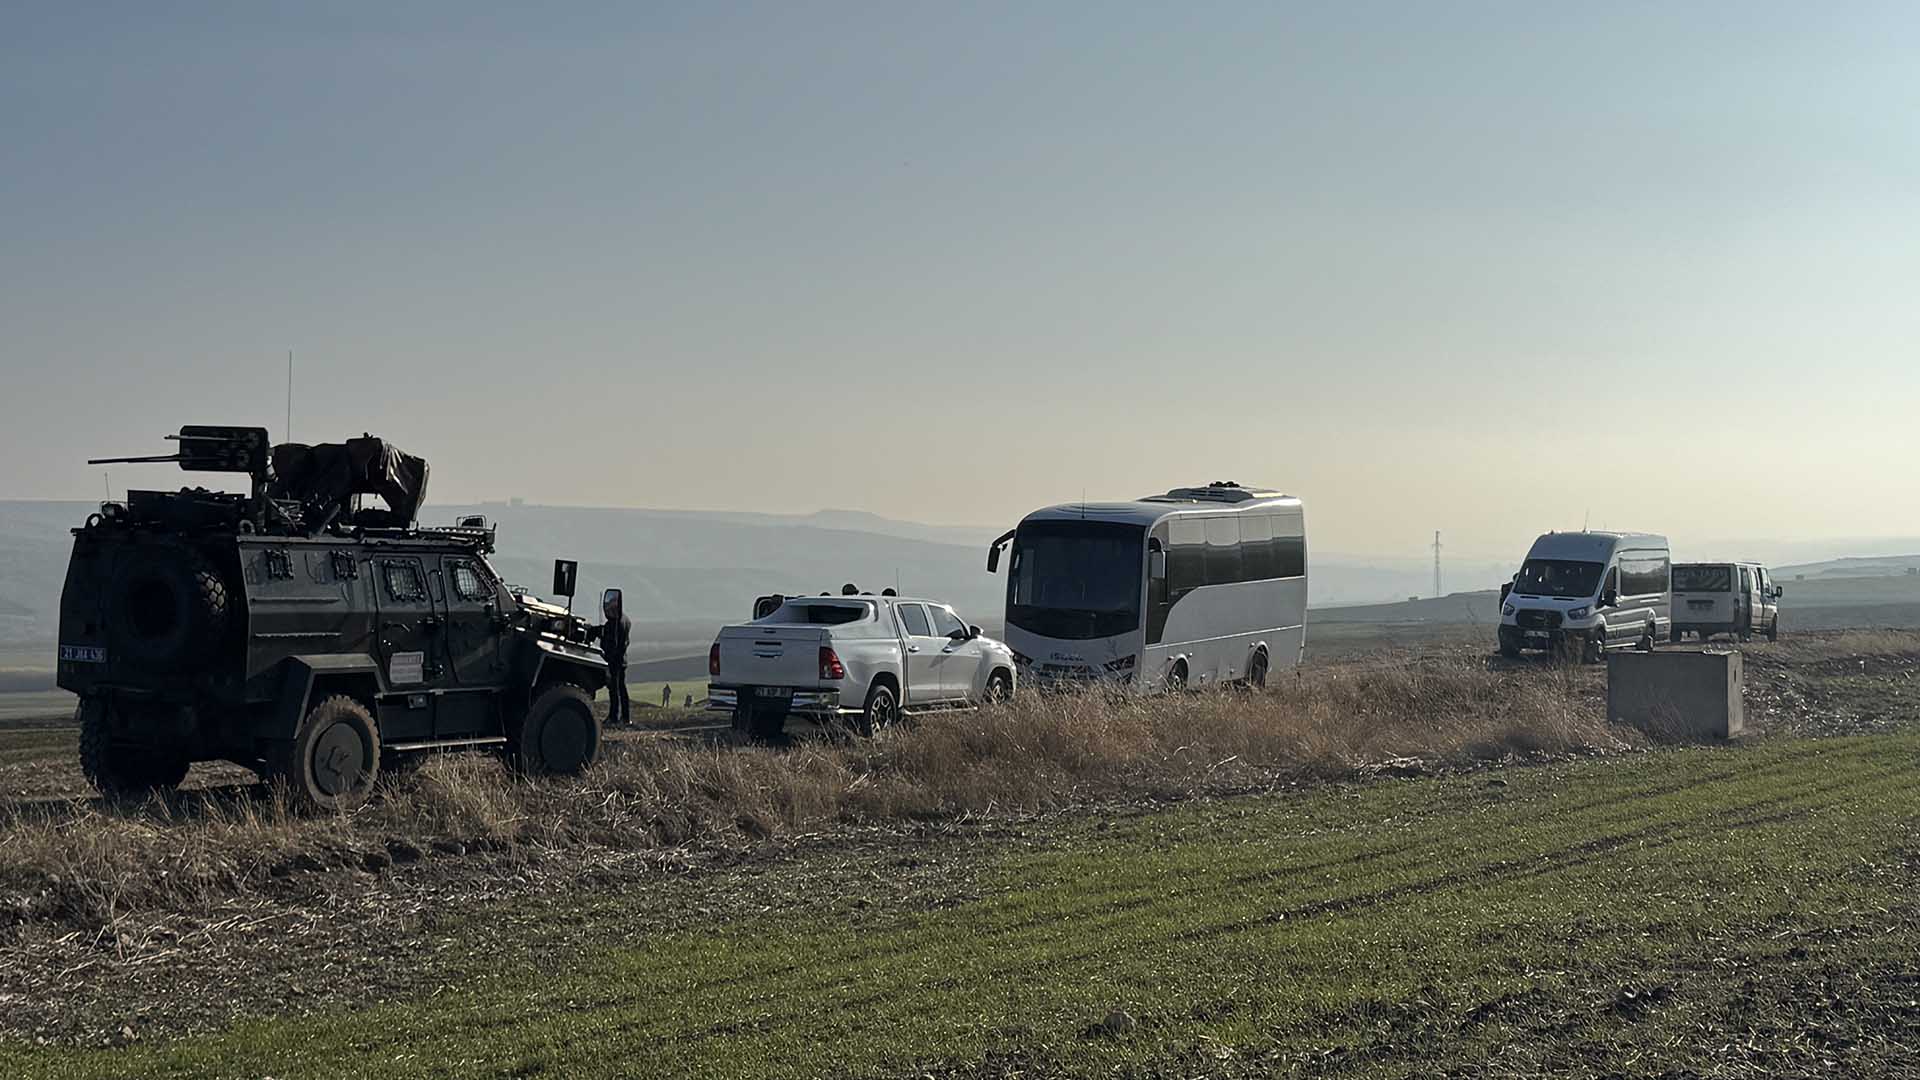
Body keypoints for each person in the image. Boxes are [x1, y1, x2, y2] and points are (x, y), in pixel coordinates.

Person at [596, 589, 632, 726]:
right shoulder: (623, 620)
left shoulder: (617, 623)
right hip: (621, 660)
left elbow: (615, 642)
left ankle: (614, 717)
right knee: (621, 688)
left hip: (615, 661)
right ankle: (625, 717)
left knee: (614, 689)